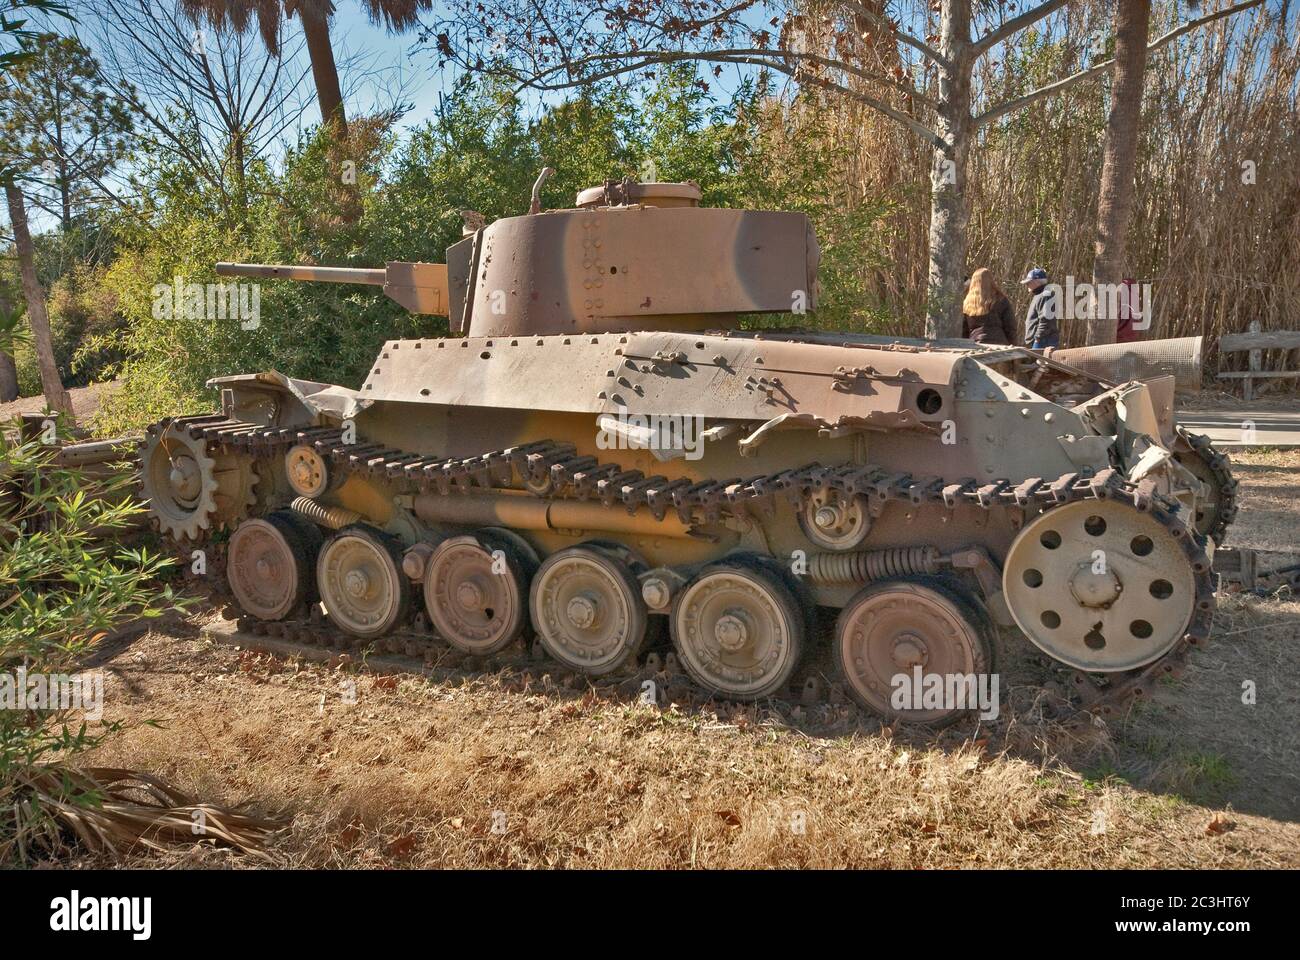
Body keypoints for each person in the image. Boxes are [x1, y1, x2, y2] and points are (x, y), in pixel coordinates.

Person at [961, 268, 1015, 344]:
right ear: (991, 281)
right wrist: (1013, 343)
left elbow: (964, 330)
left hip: (975, 342)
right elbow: (1010, 326)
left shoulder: (967, 302)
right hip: (999, 342)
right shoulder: (1001, 299)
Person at [1021, 267, 1060, 350]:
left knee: (1040, 363)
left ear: (1037, 282)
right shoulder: (1040, 295)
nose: (1027, 285)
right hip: (1041, 340)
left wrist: (1037, 339)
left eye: (1029, 282)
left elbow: (1046, 320)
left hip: (1044, 341)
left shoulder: (1046, 295)